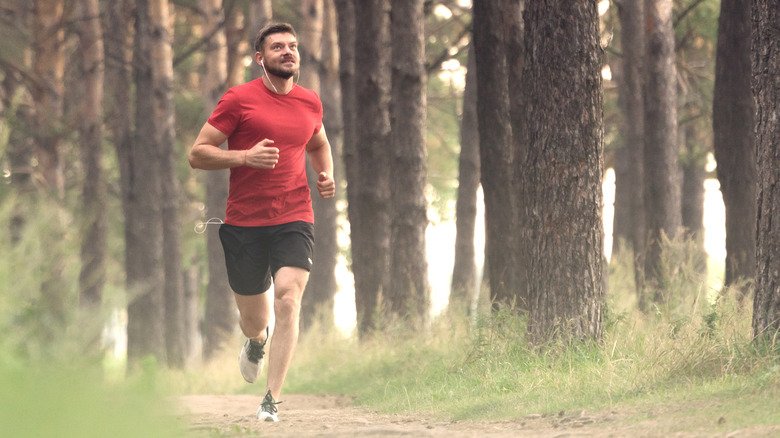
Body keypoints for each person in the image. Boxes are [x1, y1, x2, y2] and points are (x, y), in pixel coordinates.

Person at [188, 22, 335, 423]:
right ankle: (256, 341)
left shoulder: (310, 102)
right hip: (244, 222)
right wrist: (243, 157)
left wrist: (326, 174)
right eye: (277, 47)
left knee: (288, 297)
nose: (288, 52)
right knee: (255, 319)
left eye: (293, 46)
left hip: (294, 215)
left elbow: (318, 143)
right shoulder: (239, 99)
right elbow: (198, 153)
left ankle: (271, 399)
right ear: (260, 58)